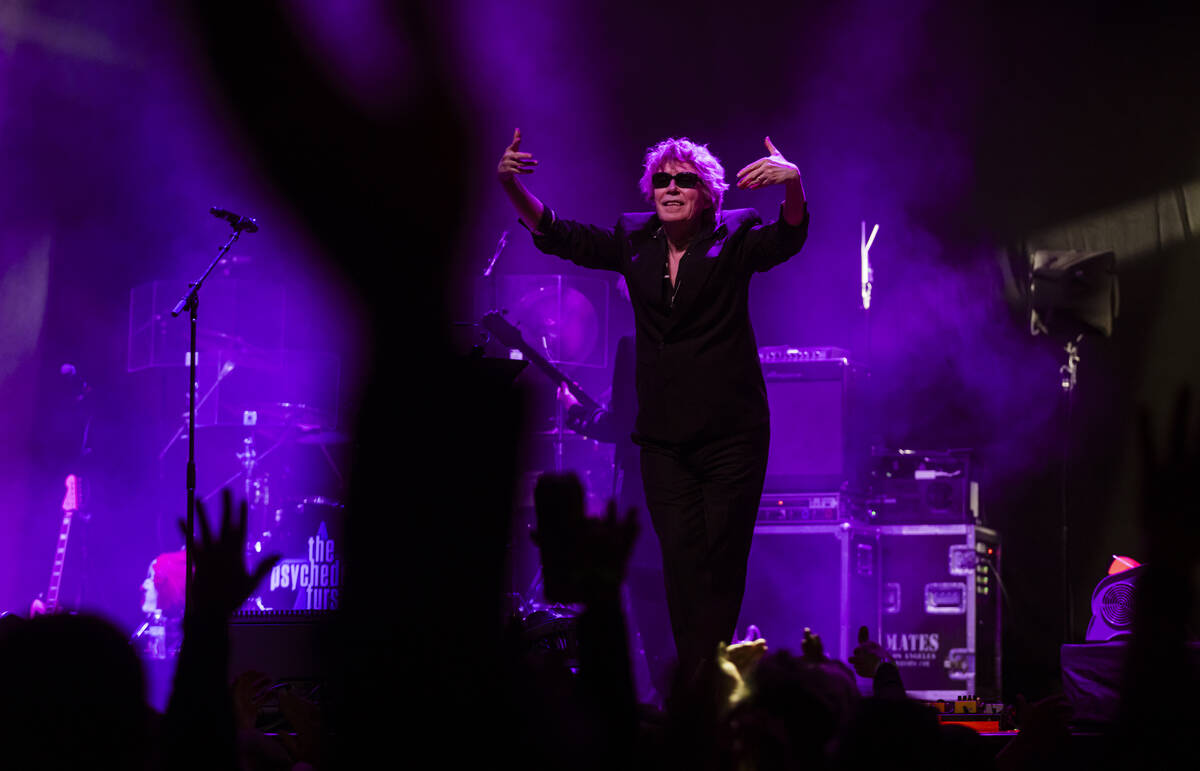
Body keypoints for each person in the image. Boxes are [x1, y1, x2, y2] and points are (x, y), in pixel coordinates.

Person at [498, 130, 809, 679]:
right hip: (663, 442)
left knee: (721, 563)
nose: (670, 187)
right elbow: (560, 234)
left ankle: (704, 683)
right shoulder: (633, 239)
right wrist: (511, 187)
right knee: (682, 568)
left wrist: (794, 185)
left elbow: (787, 239)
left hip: (731, 435)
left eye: (684, 180)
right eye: (661, 179)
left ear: (707, 193)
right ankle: (704, 684)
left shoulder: (734, 235)